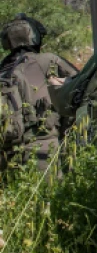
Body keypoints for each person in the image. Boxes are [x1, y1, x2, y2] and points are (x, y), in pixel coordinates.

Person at [0, 14, 77, 172]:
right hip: (45, 152)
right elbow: (83, 85)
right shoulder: (48, 61)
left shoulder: (3, 72)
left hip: (7, 158)